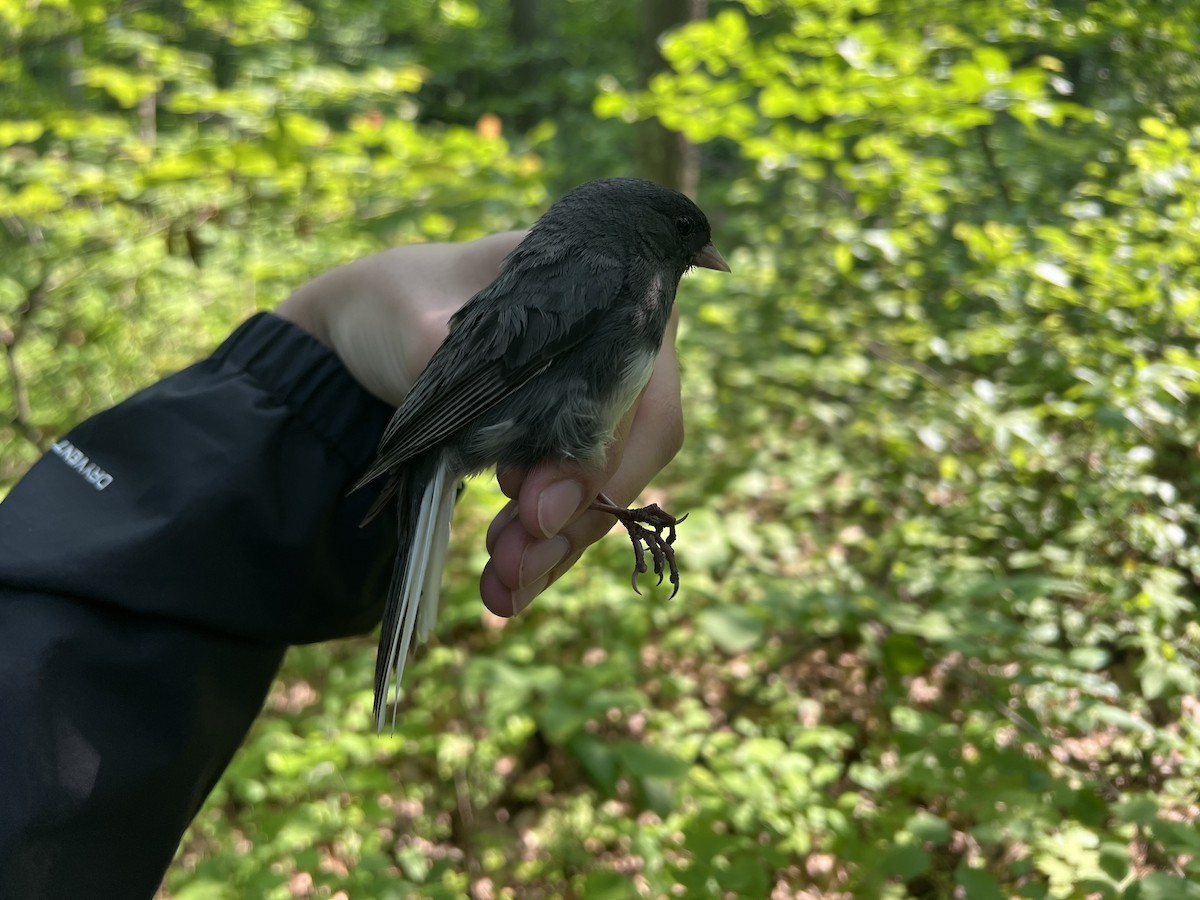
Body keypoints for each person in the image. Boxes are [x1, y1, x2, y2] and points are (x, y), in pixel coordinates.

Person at [0, 231, 685, 898]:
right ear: (657, 236)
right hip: (469, 419)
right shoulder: (600, 271)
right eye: (688, 236)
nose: (702, 253)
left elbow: (64, 634)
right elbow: (498, 377)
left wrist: (320, 349)